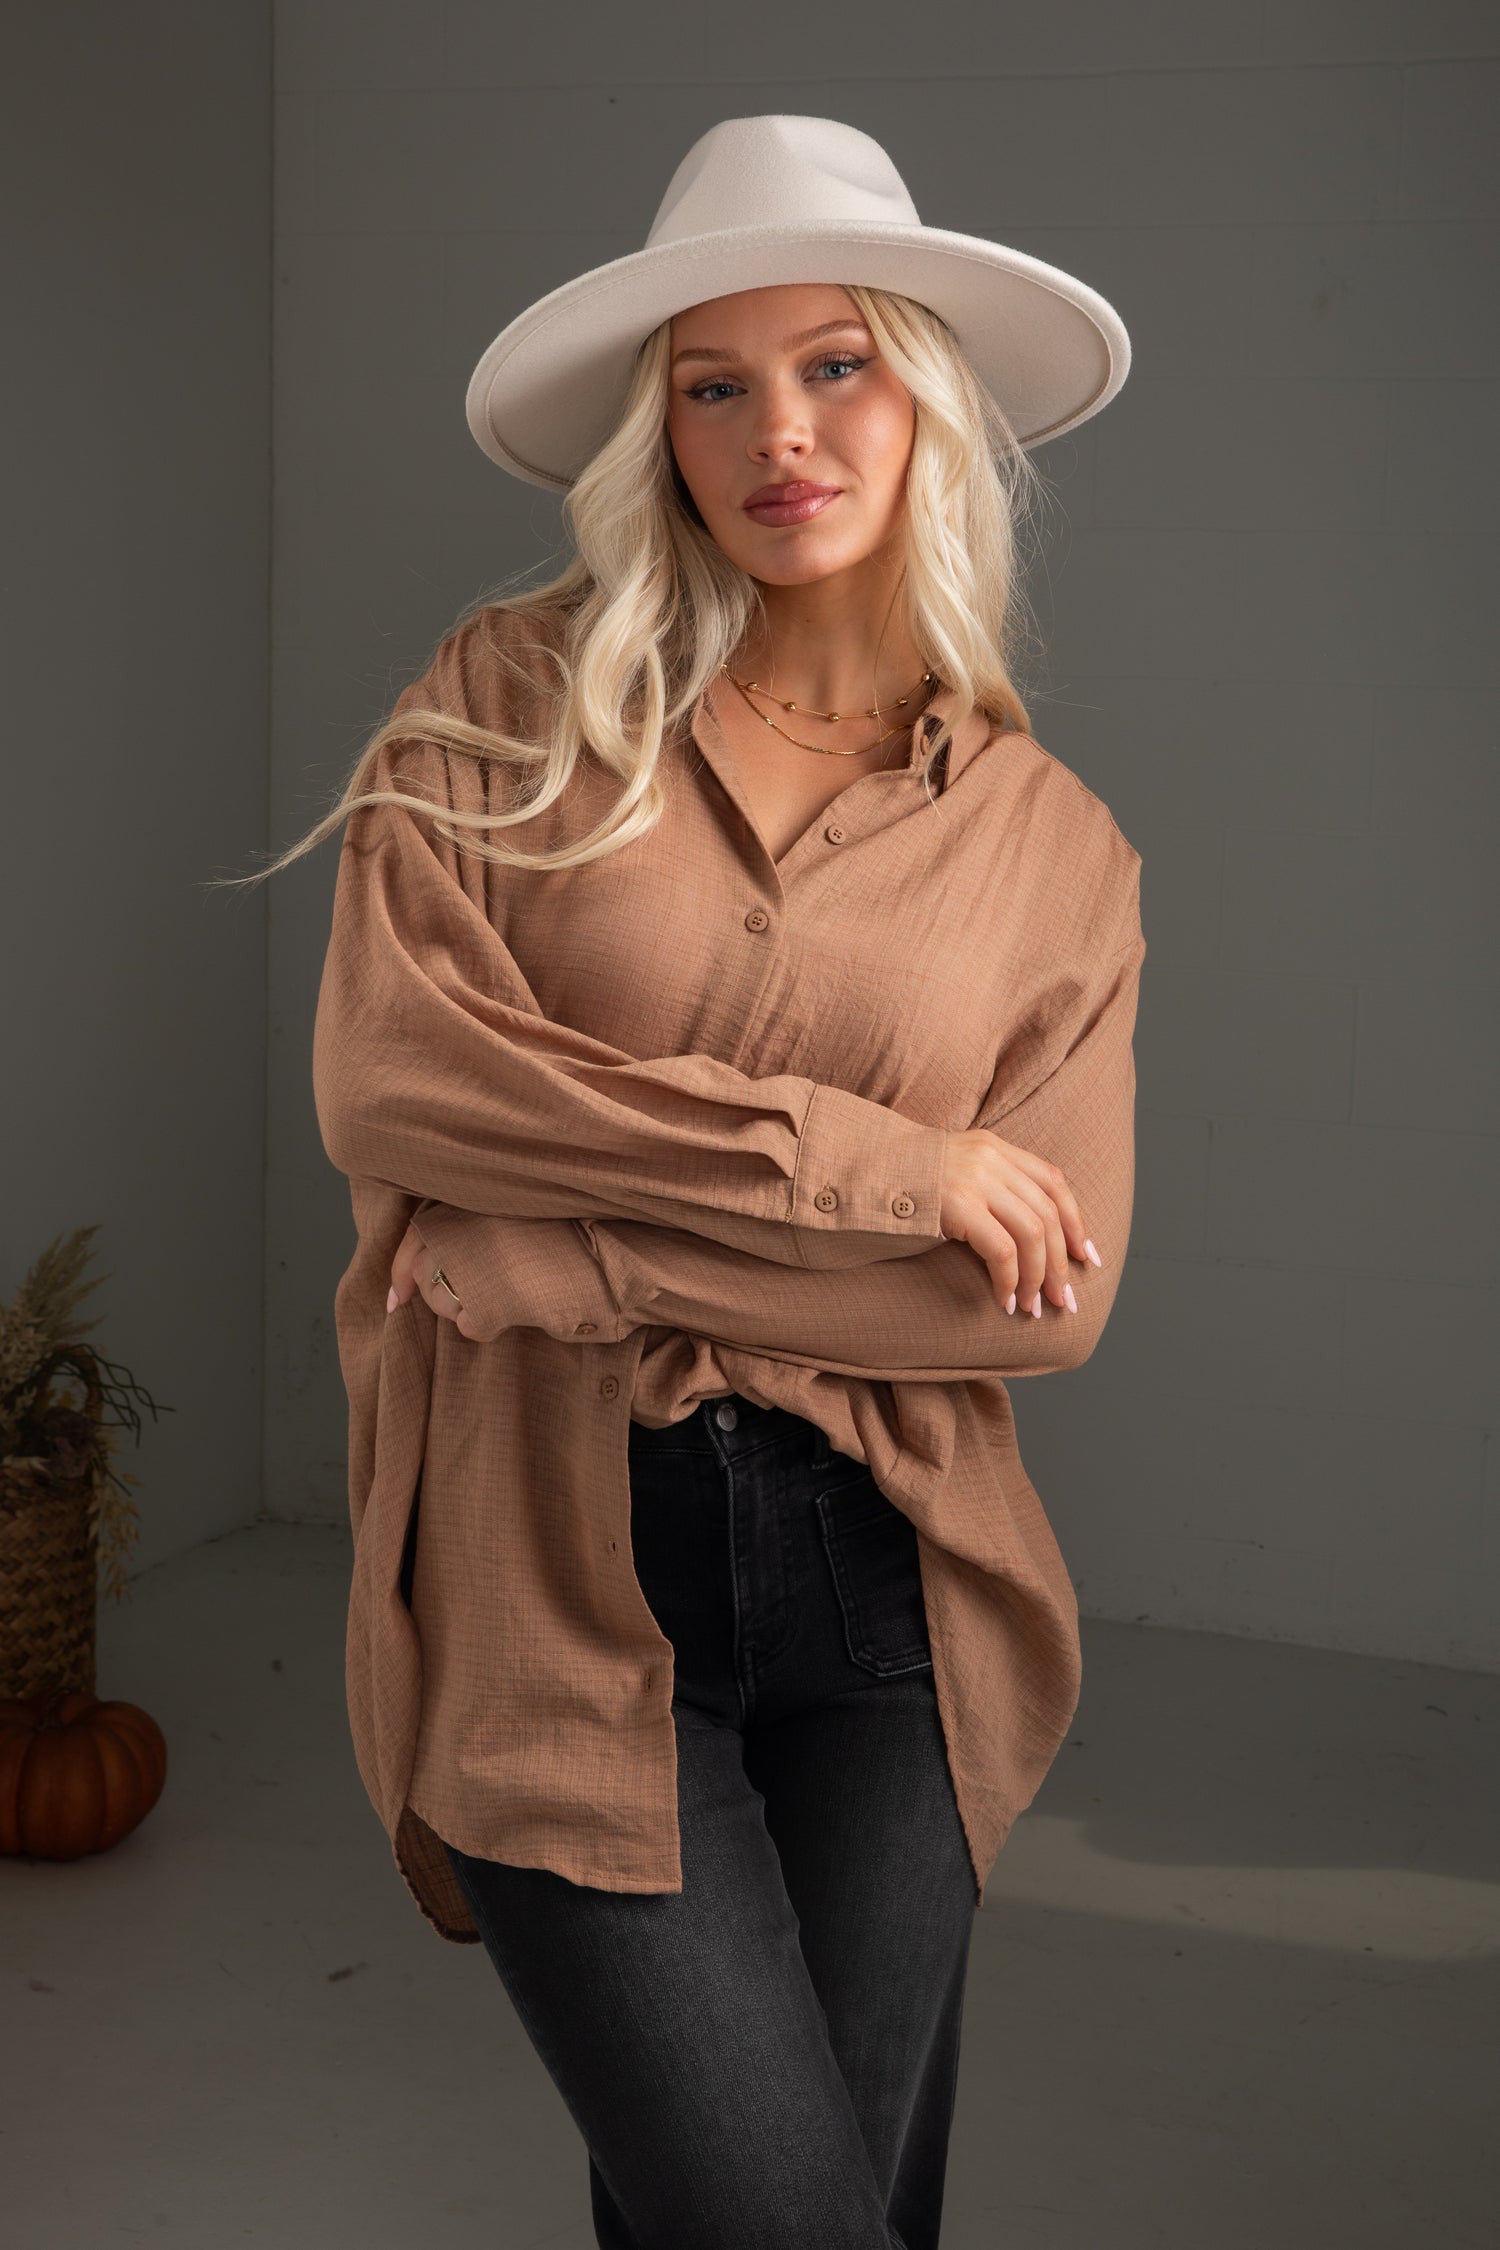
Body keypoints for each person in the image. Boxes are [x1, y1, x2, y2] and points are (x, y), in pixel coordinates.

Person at [231, 114, 1142, 2250]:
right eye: (712, 386)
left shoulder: (1052, 846)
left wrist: (574, 1258)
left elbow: (1041, 1299)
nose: (776, 433)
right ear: (658, 433)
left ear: (928, 399)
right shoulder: (506, 705)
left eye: (834, 365)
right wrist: (878, 1163)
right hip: (550, 1572)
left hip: (898, 1596)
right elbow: (394, 1082)